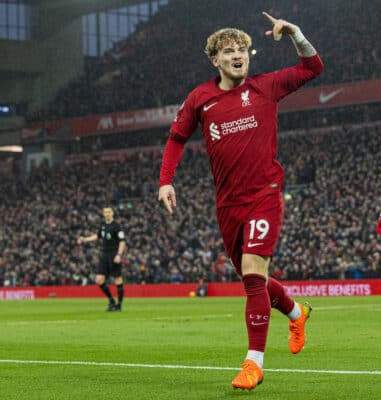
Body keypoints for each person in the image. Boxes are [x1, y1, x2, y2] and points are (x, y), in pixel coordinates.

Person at [157, 12, 323, 391]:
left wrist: (296, 33)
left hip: (264, 195)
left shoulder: (267, 87)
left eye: (243, 50)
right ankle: (298, 313)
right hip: (227, 205)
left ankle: (254, 363)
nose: (238, 55)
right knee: (254, 279)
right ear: (214, 59)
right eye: (229, 51)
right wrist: (166, 181)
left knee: (252, 275)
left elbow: (313, 67)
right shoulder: (201, 97)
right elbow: (177, 138)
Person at [77, 207, 126, 311]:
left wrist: (119, 254)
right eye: (105, 212)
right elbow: (97, 236)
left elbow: (122, 241)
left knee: (117, 279)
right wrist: (85, 239)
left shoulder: (117, 226)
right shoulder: (103, 225)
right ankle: (112, 301)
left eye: (109, 212)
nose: (107, 214)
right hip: (104, 254)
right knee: (99, 280)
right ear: (103, 214)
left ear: (112, 213)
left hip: (114, 254)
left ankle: (119, 305)